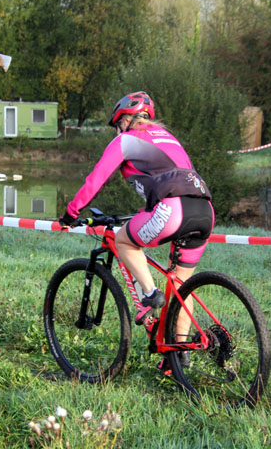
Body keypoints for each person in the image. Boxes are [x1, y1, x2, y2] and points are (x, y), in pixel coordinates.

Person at [59, 91, 215, 371]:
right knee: (181, 287)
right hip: (204, 210)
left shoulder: (125, 140)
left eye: (117, 125)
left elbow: (95, 180)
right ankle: (176, 357)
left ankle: (150, 292)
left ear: (124, 120)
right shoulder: (169, 138)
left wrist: (71, 213)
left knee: (124, 241)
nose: (117, 130)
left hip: (172, 208)